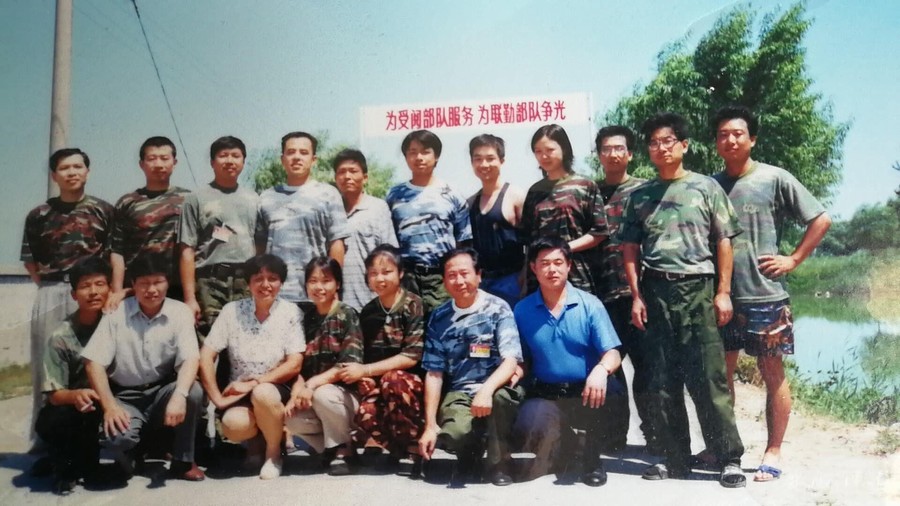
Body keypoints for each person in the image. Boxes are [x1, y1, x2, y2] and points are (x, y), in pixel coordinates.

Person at [620, 112, 745, 488]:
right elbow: (630, 249)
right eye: (654, 143)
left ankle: (727, 458)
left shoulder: (706, 187)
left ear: (684, 145)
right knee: (662, 378)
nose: (661, 148)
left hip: (698, 289)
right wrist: (636, 296)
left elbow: (724, 241)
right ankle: (674, 458)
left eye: (668, 141)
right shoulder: (640, 196)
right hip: (656, 290)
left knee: (709, 377)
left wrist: (723, 292)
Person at [712, 105, 831, 482]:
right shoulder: (710, 185)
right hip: (723, 295)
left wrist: (793, 258)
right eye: (723, 135)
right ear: (716, 142)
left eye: (738, 133)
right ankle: (724, 447)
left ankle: (773, 451)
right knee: (721, 375)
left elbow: (821, 218)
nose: (730, 140)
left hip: (766, 295)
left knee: (772, 372)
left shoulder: (774, 177)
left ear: (752, 139)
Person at [514, 237, 626, 487]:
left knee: (608, 391)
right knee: (527, 417)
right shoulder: (522, 310)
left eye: (558, 262)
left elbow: (613, 353)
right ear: (533, 268)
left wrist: (600, 370)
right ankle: (567, 446)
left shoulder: (590, 305)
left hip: (586, 390)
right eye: (544, 263)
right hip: (547, 392)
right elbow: (522, 359)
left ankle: (592, 461)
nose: (551, 269)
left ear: (569, 266)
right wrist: (514, 373)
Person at [21, 147, 113, 450]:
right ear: (54, 175)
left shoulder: (103, 210)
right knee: (46, 367)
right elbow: (31, 261)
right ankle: (43, 441)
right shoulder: (39, 214)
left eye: (77, 166)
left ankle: (98, 434)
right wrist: (52, 287)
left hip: (92, 292)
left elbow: (113, 256)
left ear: (87, 171)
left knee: (95, 362)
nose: (72, 172)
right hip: (51, 290)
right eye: (64, 168)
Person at [82, 255, 205, 482]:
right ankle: (135, 452)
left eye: (158, 282)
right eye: (144, 283)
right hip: (125, 396)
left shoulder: (180, 312)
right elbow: (94, 363)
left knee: (192, 392)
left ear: (167, 283)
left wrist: (179, 395)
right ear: (133, 284)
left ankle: (183, 461)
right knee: (118, 439)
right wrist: (110, 407)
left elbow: (190, 358)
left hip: (160, 393)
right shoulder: (116, 313)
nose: (151, 290)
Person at [417, 248, 523, 486]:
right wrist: (430, 424)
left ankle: (500, 462)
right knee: (454, 433)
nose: (459, 281)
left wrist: (486, 390)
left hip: (498, 387)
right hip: (461, 392)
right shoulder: (439, 317)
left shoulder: (498, 308)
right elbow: (434, 372)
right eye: (452, 275)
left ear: (479, 275)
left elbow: (510, 361)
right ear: (444, 281)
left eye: (464, 273)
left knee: (501, 400)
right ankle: (469, 454)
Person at [198, 254, 304, 480]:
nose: (265, 285)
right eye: (258, 279)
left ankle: (273, 454)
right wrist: (217, 398)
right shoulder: (231, 311)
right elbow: (206, 355)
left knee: (262, 393)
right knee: (233, 425)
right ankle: (256, 443)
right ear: (248, 283)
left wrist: (255, 383)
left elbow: (294, 363)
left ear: (281, 282)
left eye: (272, 278)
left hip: (275, 389)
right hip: (239, 392)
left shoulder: (291, 312)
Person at [339, 245, 425, 468]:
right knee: (366, 413)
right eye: (373, 273)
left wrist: (366, 371)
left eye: (387, 272)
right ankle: (398, 449)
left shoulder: (414, 305)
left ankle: (413, 445)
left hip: (413, 386)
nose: (380, 279)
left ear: (400, 273)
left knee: (393, 379)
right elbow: (364, 355)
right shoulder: (369, 311)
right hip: (381, 384)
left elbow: (411, 356)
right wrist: (366, 378)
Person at [594, 126, 652, 451]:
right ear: (599, 155)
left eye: (619, 148)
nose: (613, 154)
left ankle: (654, 435)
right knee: (609, 366)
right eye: (607, 149)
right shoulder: (591, 192)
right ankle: (612, 437)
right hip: (602, 294)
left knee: (647, 367)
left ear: (630, 154)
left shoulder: (645, 190)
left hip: (639, 294)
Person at [34, 258, 111, 494]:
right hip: (76, 408)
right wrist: (76, 395)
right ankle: (63, 468)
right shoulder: (61, 336)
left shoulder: (117, 325)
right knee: (54, 420)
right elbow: (54, 394)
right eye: (85, 286)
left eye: (100, 284)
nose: (93, 292)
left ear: (110, 289)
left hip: (111, 401)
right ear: (74, 295)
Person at [285, 257, 363, 475]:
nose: (319, 287)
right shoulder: (307, 318)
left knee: (324, 394)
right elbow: (300, 363)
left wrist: (311, 385)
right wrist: (296, 393)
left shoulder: (347, 314)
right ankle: (333, 447)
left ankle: (342, 450)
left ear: (337, 284)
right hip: (315, 396)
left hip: (345, 397)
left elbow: (348, 364)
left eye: (326, 280)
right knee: (290, 418)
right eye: (313, 281)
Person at [255, 132, 350, 303]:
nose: (297, 157)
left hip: (316, 294)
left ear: (314, 160)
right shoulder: (266, 197)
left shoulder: (328, 194)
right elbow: (260, 247)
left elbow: (337, 243)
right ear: (282, 159)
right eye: (291, 152)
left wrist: (333, 286)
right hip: (275, 295)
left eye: (304, 152)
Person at [385, 129, 472, 316]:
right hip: (406, 277)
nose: (419, 157)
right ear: (406, 157)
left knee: (445, 325)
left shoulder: (452, 194)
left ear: (436, 155)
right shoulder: (394, 195)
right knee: (410, 328)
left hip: (442, 278)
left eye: (425, 152)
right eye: (413, 152)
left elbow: (464, 241)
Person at [180, 136, 259, 336]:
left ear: (243, 161)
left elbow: (260, 245)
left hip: (246, 280)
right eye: (223, 156)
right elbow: (186, 249)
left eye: (236, 156)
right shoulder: (195, 198)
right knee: (210, 339)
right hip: (210, 281)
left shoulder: (254, 199)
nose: (230, 161)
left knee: (246, 337)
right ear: (212, 162)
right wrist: (190, 298)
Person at [521, 124, 608, 294]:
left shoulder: (584, 185)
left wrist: (564, 248)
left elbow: (599, 232)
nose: (544, 156)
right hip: (541, 277)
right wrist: (525, 274)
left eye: (550, 150)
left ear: (564, 149)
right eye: (538, 151)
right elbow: (528, 239)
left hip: (577, 274)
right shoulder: (535, 191)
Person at [108, 136, 189, 310]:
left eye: (164, 158)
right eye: (152, 159)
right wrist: (117, 291)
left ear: (174, 162)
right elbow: (117, 251)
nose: (158, 164)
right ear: (141, 164)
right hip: (139, 288)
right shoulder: (127, 202)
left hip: (178, 287)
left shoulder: (189, 199)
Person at [332, 148, 399, 311]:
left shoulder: (378, 208)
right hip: (338, 302)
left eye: (353, 171)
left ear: (365, 177)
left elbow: (390, 254)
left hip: (373, 300)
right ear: (335, 178)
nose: (347, 176)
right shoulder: (330, 210)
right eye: (342, 172)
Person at [466, 134, 526, 307]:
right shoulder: (470, 203)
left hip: (512, 281)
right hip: (481, 283)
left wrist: (524, 277)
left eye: (490, 158)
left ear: (502, 160)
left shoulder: (516, 196)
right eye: (478, 159)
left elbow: (532, 240)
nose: (484, 164)